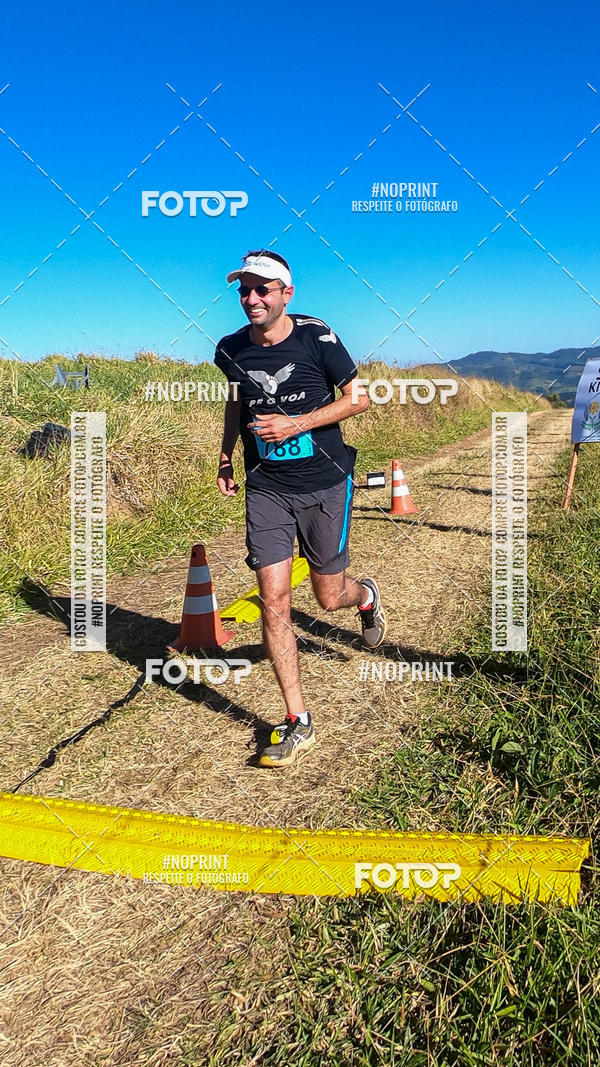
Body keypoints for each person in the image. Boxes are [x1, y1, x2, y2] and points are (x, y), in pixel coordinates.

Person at [215, 249, 386, 768]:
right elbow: (236, 402)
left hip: (325, 482)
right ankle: (297, 720)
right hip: (265, 487)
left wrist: (295, 424)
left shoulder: (318, 337)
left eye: (262, 289)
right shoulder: (230, 349)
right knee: (274, 599)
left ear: (286, 293)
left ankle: (365, 596)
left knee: (328, 596)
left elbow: (358, 399)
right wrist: (225, 456)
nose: (251, 299)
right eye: (244, 289)